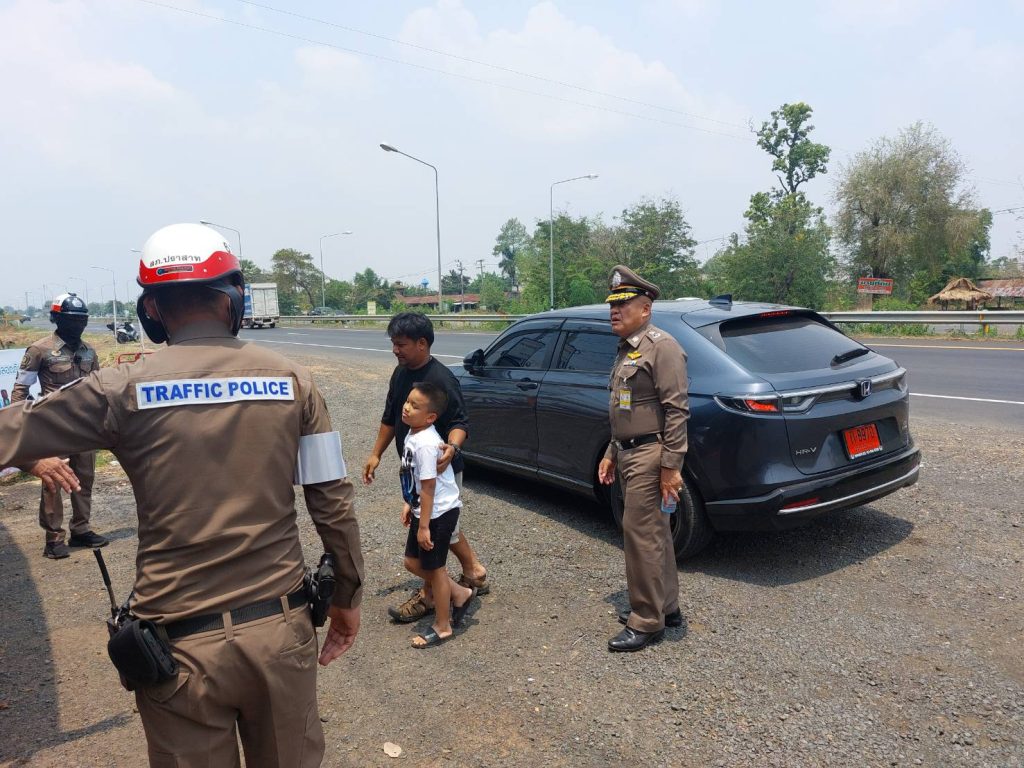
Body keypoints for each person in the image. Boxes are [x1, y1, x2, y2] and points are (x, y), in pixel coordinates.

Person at [0, 223, 364, 767]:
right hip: (280, 633)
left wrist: (33, 458)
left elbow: (9, 433)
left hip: (177, 652)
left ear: (150, 309)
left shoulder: (118, 389)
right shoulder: (294, 381)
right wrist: (347, 596)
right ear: (234, 297)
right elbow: (332, 502)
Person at [363, 312, 489, 623]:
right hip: (415, 469)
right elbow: (390, 417)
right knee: (443, 528)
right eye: (393, 344)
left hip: (441, 471)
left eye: (401, 344)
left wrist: (452, 447)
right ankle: (473, 571)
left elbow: (460, 423)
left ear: (422, 343)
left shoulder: (442, 379)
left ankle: (433, 595)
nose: (395, 350)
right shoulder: (400, 374)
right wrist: (376, 454)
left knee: (432, 533)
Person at [597, 265, 689, 653]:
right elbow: (626, 409)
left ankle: (647, 620)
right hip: (629, 452)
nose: (614, 312)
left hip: (651, 456)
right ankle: (667, 607)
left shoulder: (662, 347)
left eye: (623, 305)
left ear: (646, 309)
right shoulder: (628, 348)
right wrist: (611, 452)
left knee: (640, 537)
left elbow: (677, 411)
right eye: (612, 306)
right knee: (654, 535)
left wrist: (670, 467)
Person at [10, 292, 107, 559]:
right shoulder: (39, 350)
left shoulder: (89, 351)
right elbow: (20, 390)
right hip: (52, 427)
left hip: (85, 427)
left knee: (84, 479)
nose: (78, 324)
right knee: (53, 481)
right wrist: (20, 425)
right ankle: (53, 538)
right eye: (72, 319)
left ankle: (81, 529)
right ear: (56, 318)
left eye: (82, 319)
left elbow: (98, 387)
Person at [397, 382, 477, 647]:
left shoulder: (426, 444)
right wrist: (410, 503)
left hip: (438, 514)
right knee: (412, 562)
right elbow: (415, 478)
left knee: (436, 569)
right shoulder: (414, 434)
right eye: (407, 401)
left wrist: (424, 527)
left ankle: (443, 626)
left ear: (431, 417)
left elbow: (429, 486)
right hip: (424, 509)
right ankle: (460, 592)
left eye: (415, 406)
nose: (407, 408)